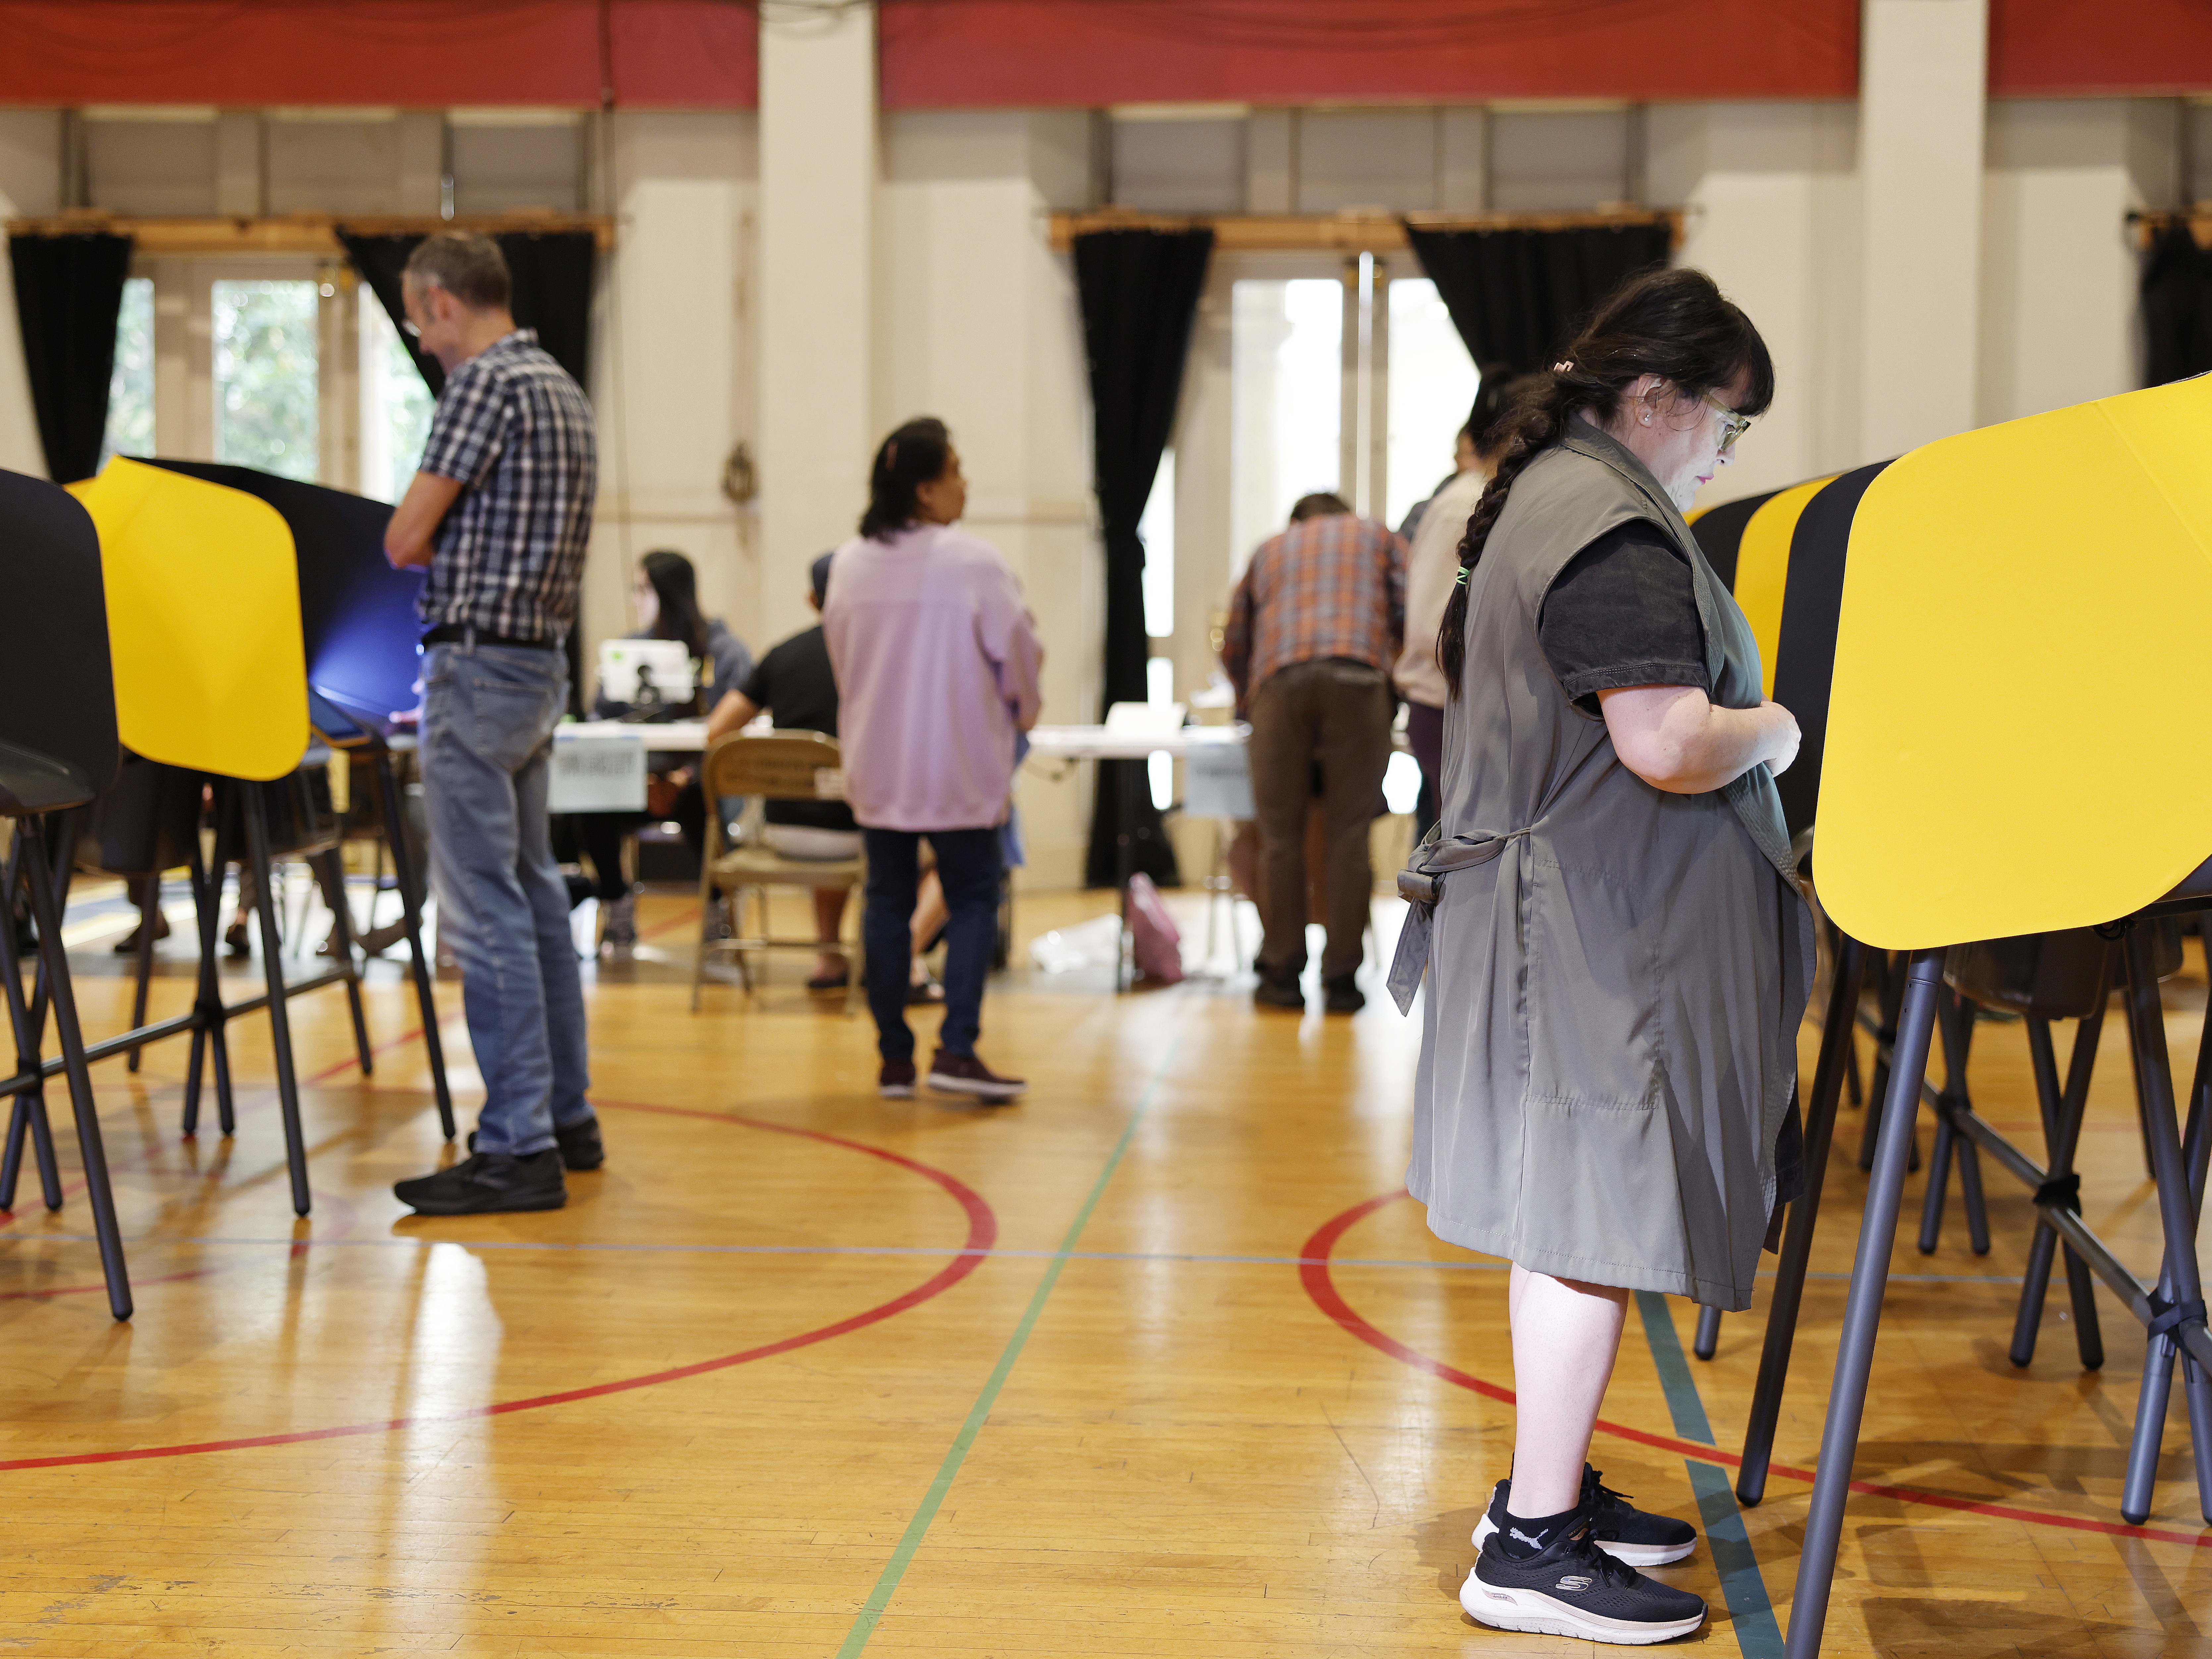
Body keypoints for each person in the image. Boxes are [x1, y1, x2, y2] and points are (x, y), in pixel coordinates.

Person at [1393, 267, 1809, 1643]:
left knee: (1582, 1217)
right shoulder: (1608, 528)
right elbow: (1664, 740)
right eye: (1726, 423)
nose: (1725, 450)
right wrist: (1778, 728)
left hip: (1568, 921)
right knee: (1583, 1220)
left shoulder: (1562, 494)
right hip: (1581, 935)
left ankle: (1547, 1494)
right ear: (1654, 399)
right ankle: (1525, 1548)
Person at [380, 231, 603, 1216]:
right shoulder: (561, 387)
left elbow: (403, 536)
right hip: (539, 663)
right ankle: (565, 1115)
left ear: (439, 302)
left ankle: (515, 1144)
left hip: (474, 666)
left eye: (414, 318)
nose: (420, 340)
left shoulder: (481, 385)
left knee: (483, 904)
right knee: (534, 887)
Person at [821, 418, 1042, 1102]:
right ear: (925, 488)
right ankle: (956, 1047)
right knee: (973, 897)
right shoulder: (973, 561)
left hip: (877, 761)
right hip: (959, 762)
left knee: (885, 900)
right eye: (955, 469)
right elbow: (1021, 659)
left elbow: (841, 658)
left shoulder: (849, 563)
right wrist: (1020, 716)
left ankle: (893, 1058)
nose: (964, 483)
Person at [702, 551, 949, 996]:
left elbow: (718, 731)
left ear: (812, 599)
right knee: (958, 855)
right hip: (862, 829)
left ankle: (828, 957)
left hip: (784, 832)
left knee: (825, 811)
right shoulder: (887, 655)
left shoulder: (782, 655)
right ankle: (901, 956)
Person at [1220, 490, 1405, 1015]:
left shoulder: (1268, 548)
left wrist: (1246, 701)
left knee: (1280, 837)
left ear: (1297, 522)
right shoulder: (1378, 535)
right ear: (1342, 515)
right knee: (1348, 835)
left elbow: (1235, 639)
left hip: (1280, 686)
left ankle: (1280, 975)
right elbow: (1417, 607)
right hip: (1358, 678)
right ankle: (1342, 980)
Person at [574, 549, 753, 949]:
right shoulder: (626, 652)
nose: (637, 599)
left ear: (669, 593)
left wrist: (681, 775)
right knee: (589, 802)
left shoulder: (725, 652)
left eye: (644, 589)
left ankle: (717, 907)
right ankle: (616, 902)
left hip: (700, 782)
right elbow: (599, 718)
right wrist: (644, 776)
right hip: (635, 781)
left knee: (698, 801)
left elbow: (735, 729)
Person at [1395, 367, 1528, 838]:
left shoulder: (1498, 495)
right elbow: (1433, 622)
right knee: (1456, 858)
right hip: (1448, 705)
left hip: (1466, 705)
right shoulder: (1463, 501)